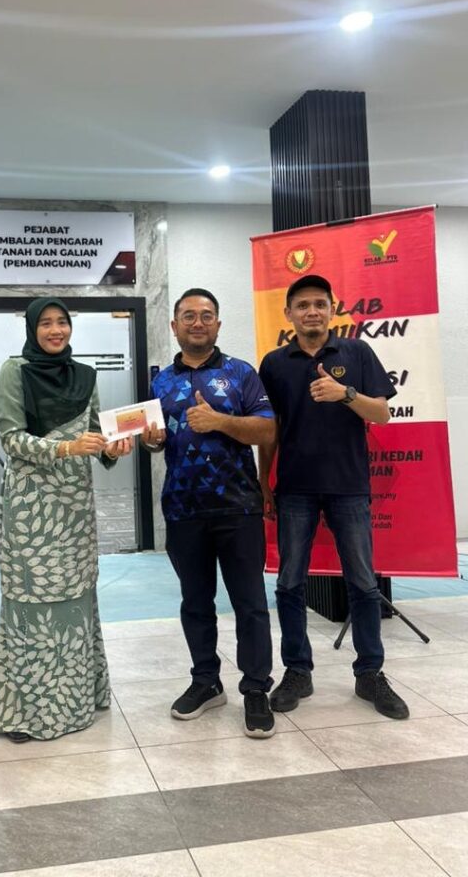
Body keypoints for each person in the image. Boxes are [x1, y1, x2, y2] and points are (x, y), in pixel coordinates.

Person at [258, 274, 409, 720]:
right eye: (302, 305)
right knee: (289, 583)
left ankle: (370, 673)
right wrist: (264, 481)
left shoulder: (356, 352)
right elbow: (269, 429)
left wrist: (345, 394)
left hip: (348, 486)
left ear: (332, 309)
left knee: (363, 582)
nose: (312, 312)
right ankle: (297, 671)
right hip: (295, 488)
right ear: (288, 313)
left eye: (319, 304)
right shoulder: (274, 363)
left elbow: (382, 413)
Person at [0, 297, 131, 742]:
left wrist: (113, 448)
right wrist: (65, 448)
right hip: (31, 507)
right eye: (46, 323)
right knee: (31, 597)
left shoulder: (85, 375)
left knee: (75, 593)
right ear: (32, 329)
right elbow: (11, 438)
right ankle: (25, 713)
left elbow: (97, 436)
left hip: (74, 506)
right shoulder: (14, 371)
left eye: (62, 322)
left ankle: (76, 698)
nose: (56, 330)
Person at [142, 288, 277, 738]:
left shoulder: (241, 373)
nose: (197, 323)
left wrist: (220, 421)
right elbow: (155, 435)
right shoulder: (160, 382)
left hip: (239, 507)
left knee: (250, 604)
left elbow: (267, 430)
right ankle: (206, 681)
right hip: (183, 509)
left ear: (218, 324)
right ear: (174, 326)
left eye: (206, 315)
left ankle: (255, 688)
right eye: (188, 316)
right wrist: (151, 440)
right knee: (195, 603)